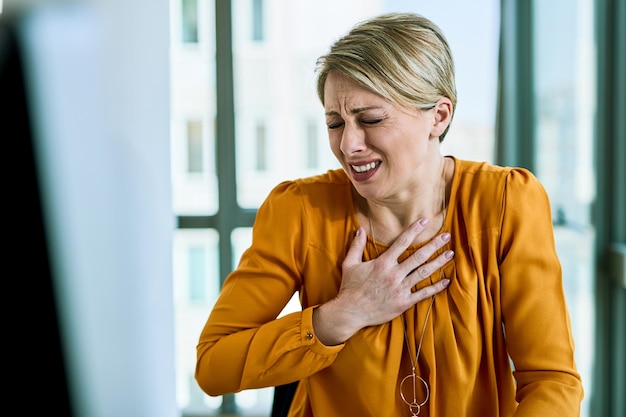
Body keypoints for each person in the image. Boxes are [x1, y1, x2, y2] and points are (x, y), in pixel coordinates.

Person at [195, 12, 584, 417]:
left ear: (439, 116)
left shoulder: (505, 203)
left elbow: (551, 381)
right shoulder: (300, 211)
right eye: (334, 123)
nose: (348, 144)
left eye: (371, 120)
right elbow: (213, 366)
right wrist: (344, 313)